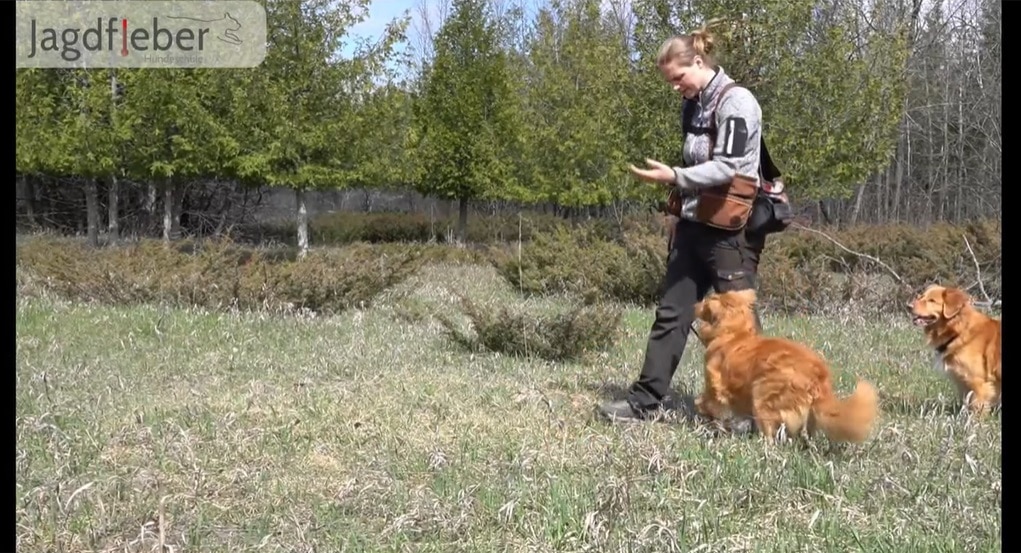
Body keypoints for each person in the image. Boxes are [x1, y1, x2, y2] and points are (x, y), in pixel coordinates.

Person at [599, 22, 772, 423]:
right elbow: (697, 164)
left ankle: (757, 409)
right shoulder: (692, 104)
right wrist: (677, 212)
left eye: (678, 78)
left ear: (698, 61)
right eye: (670, 82)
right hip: (693, 226)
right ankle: (643, 403)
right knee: (671, 314)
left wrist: (674, 176)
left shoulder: (737, 102)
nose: (675, 87)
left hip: (729, 233)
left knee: (739, 323)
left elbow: (729, 166)